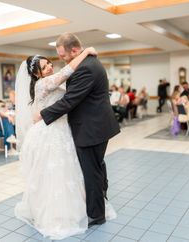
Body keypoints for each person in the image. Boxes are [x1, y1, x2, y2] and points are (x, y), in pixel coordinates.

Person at [30, 33, 120, 229]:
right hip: (89, 127)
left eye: (62, 55)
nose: (60, 60)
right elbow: (66, 78)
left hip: (91, 128)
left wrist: (42, 115)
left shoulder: (85, 68)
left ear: (74, 50)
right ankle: (98, 202)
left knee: (91, 171)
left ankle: (96, 215)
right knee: (94, 168)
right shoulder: (86, 63)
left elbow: (70, 100)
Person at [14, 47, 102, 240]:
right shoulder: (43, 83)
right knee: (55, 174)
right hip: (50, 133)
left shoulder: (46, 83)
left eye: (49, 63)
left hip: (62, 130)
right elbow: (65, 72)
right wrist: (85, 52)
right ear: (36, 73)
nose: (50, 67)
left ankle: (80, 208)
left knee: (69, 171)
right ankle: (56, 215)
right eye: (45, 67)